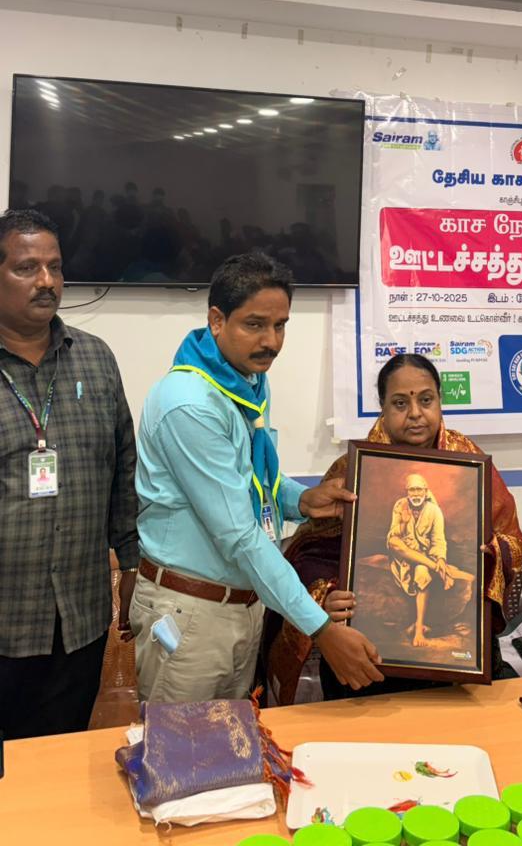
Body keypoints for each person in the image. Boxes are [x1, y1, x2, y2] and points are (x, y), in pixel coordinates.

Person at [130, 250, 383, 703]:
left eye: (280, 325)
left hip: (241, 605)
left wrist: (299, 501)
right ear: (217, 320)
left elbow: (249, 481)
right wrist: (321, 628)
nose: (271, 341)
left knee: (235, 741)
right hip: (191, 613)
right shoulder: (191, 403)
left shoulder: (243, 382)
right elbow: (239, 535)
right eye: (255, 324)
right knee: (184, 744)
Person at [263, 353, 522, 703]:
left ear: (440, 401)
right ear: (383, 409)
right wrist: (326, 595)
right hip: (366, 656)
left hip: (456, 662)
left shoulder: (469, 462)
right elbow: (310, 552)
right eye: (400, 403)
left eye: (426, 400)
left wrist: (491, 554)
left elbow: (512, 540)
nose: (415, 413)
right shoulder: (354, 470)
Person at [0, 208, 139, 739]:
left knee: (61, 754)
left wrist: (132, 565)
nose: (46, 281)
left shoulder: (96, 360)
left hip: (78, 618)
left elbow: (124, 471)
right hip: (6, 617)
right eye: (26, 268)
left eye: (55, 267)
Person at [387, 472, 473, 647]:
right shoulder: (400, 505)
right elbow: (393, 535)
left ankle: (418, 630)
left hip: (424, 556)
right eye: (412, 490)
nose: (416, 494)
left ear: (426, 492)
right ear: (407, 492)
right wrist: (403, 523)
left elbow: (438, 539)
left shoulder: (434, 511)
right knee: (394, 543)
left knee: (422, 572)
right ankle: (439, 570)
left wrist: (440, 559)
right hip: (403, 557)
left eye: (419, 489)